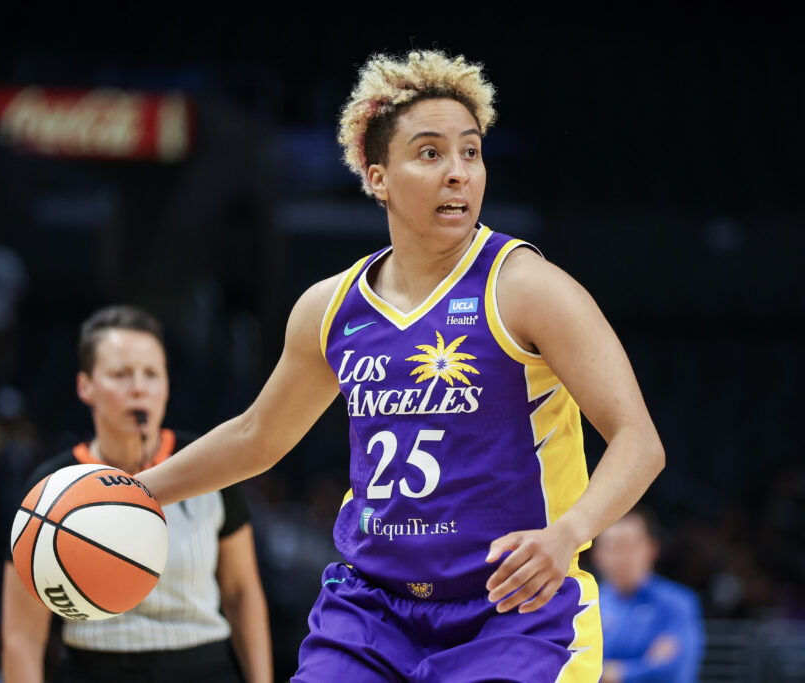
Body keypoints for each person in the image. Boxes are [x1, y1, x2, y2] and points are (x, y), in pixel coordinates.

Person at [136, 50, 665, 682]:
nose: (458, 174)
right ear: (378, 175)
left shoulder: (528, 288)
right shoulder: (330, 307)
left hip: (514, 612)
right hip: (372, 610)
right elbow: (258, 436)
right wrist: (140, 493)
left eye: (471, 152)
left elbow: (640, 440)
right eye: (430, 153)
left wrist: (570, 532)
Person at [0, 305, 273, 683]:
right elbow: (22, 638)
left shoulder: (210, 465)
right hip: (94, 667)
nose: (139, 387)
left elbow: (242, 593)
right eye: (120, 375)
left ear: (167, 385)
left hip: (202, 667)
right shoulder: (49, 487)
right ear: (85, 386)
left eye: (151, 374)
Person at [593, 506, 704, 683]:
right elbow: (572, 667)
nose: (620, 557)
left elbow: (674, 671)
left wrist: (608, 673)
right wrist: (644, 664)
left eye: (629, 546)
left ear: (651, 549)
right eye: (612, 547)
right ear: (597, 554)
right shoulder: (588, 604)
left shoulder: (678, 602)